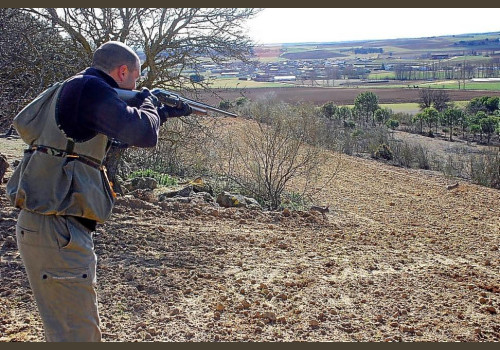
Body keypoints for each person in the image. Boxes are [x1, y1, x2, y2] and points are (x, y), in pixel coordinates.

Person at [6, 41, 192, 342]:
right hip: (57, 231)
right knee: (77, 336)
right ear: (122, 72)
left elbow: (117, 135)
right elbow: (142, 133)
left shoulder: (76, 89)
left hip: (53, 227)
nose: (137, 84)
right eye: (135, 78)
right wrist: (147, 101)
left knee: (69, 332)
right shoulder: (90, 89)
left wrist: (162, 115)